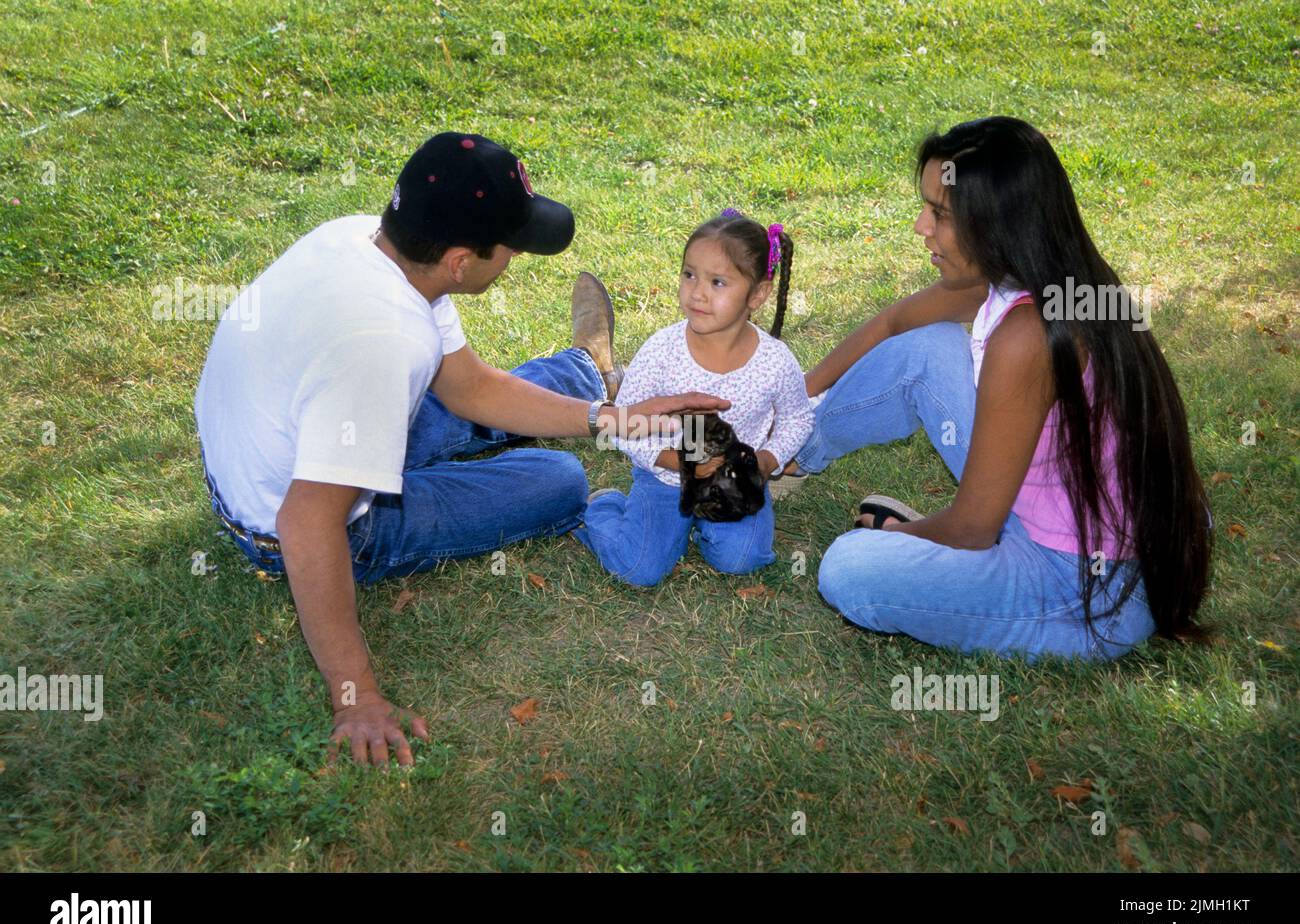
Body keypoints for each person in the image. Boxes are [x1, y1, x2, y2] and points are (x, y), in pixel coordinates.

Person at [194, 132, 727, 766]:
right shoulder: (384, 345)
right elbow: (308, 524)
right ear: (460, 263)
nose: (514, 257)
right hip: (278, 515)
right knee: (558, 481)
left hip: (277, 436)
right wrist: (356, 697)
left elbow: (469, 387)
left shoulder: (361, 237)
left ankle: (591, 374)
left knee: (482, 403)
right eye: (510, 246)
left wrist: (615, 422)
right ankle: (587, 376)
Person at [782, 116, 1211, 660]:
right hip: (1051, 515)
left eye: (940, 214)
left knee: (848, 567)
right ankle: (787, 454)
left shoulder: (1029, 334)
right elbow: (894, 325)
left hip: (1084, 588)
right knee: (928, 347)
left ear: (996, 223)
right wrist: (789, 404)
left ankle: (960, 572)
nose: (921, 226)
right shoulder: (1042, 276)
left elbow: (972, 528)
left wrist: (896, 543)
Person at [575, 210, 814, 586]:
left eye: (718, 282)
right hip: (663, 480)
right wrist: (679, 463)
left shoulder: (774, 361)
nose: (697, 292)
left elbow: (798, 418)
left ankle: (704, 530)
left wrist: (767, 461)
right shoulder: (661, 351)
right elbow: (624, 424)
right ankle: (604, 506)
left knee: (742, 559)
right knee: (639, 568)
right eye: (689, 275)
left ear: (758, 294)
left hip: (736, 484)